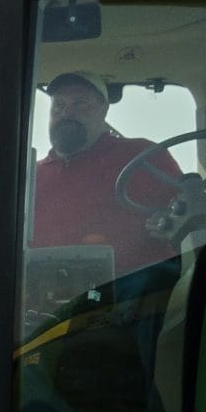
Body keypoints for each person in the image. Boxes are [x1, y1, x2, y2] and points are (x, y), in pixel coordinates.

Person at [30, 71, 185, 274]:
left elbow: (188, 216)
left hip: (138, 294)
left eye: (80, 103)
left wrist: (171, 225)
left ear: (103, 109)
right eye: (59, 105)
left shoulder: (144, 156)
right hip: (44, 297)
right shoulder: (31, 177)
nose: (67, 113)